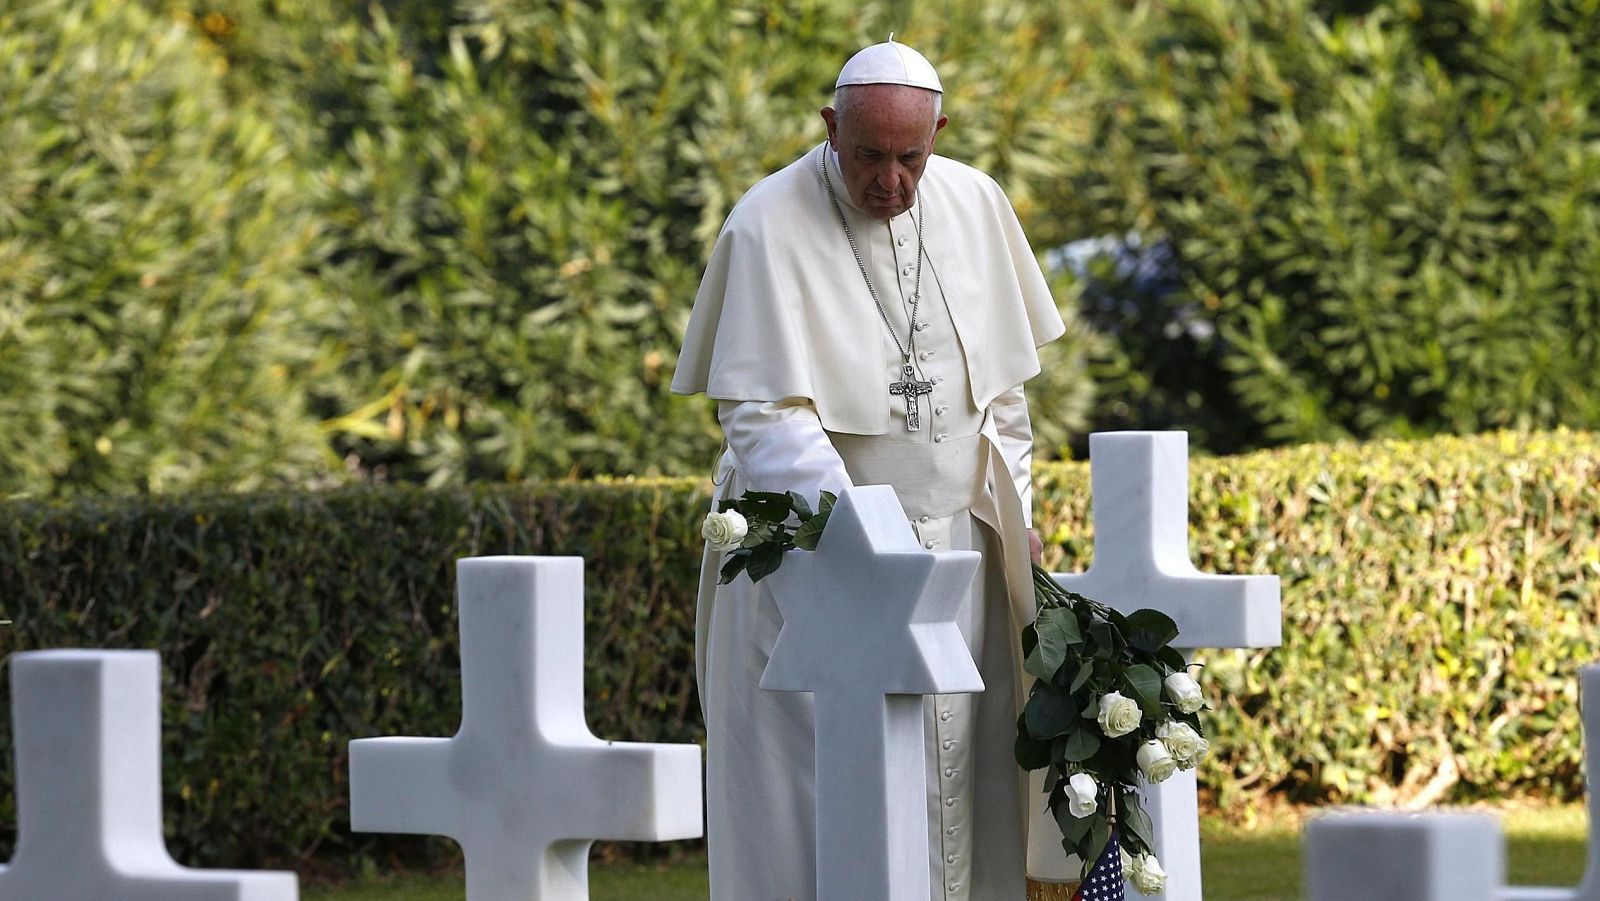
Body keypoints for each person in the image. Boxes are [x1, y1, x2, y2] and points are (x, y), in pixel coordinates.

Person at [671, 37, 1065, 901]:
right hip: (818, 561)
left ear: (940, 135)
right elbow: (763, 412)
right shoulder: (767, 221)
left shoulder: (976, 203)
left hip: (961, 552)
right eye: (868, 156)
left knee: (970, 790)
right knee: (825, 802)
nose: (891, 180)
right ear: (829, 127)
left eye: (910, 158)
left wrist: (1017, 512)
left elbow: (1003, 402)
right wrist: (868, 551)